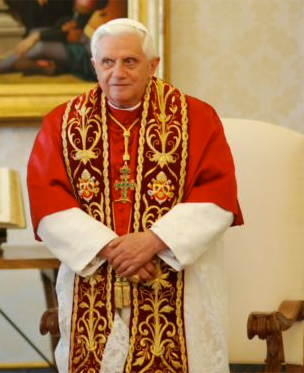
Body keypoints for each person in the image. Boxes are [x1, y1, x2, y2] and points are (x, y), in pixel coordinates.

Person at [27, 18, 243, 372]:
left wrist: (155, 241)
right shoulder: (62, 123)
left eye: (130, 61)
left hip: (177, 279)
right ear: (94, 65)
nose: (118, 73)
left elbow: (217, 193)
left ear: (153, 65)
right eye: (108, 62)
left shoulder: (196, 118)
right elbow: (47, 197)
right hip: (94, 277)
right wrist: (113, 249)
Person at [0, 0, 118, 81]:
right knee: (38, 34)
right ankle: (51, 66)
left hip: (88, 60)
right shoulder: (76, 9)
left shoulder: (101, 15)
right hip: (74, 48)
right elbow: (62, 28)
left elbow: (77, 37)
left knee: (39, 46)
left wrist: (37, 38)